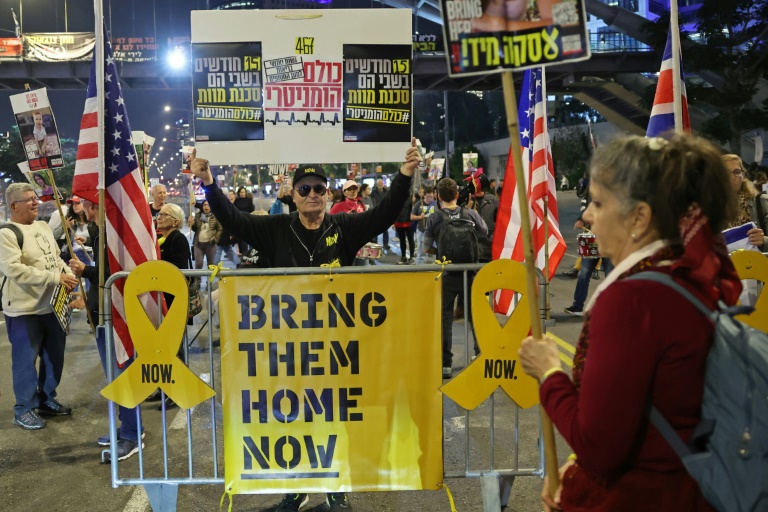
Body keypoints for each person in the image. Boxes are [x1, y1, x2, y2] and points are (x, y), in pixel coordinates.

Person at [189, 140, 420, 512]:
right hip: (286, 349)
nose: (313, 194)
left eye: (319, 189)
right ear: (293, 196)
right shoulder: (275, 228)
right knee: (291, 419)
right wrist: (210, 185)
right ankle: (295, 489)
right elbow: (233, 220)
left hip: (337, 349)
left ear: (327, 194)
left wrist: (405, 174)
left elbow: (385, 214)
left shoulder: (343, 226)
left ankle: (336, 489)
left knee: (336, 421)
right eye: (304, 189)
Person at [518, 134, 740, 512]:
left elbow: (600, 451)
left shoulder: (631, 301)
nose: (587, 215)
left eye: (599, 203)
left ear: (639, 217)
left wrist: (549, 373)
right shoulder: (691, 276)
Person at [68, 198, 145, 461]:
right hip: (104, 315)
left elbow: (116, 271)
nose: (87, 209)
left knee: (121, 376)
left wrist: (85, 270)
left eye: (92, 204)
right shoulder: (103, 232)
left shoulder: (112, 234)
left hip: (116, 316)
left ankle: (132, 436)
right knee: (117, 376)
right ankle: (131, 427)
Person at [0, 183, 78, 430]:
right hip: (25, 310)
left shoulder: (44, 227)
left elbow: (55, 258)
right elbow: (13, 270)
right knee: (25, 361)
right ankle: (24, 408)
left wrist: (67, 275)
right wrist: (55, 278)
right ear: (14, 205)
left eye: (35, 198)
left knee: (54, 357)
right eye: (29, 199)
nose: (35, 202)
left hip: (53, 306)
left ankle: (46, 399)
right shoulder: (6, 233)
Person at [423, 178, 487, 379]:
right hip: (470, 272)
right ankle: (480, 354)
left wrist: (440, 252)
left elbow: (426, 247)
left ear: (439, 196)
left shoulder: (434, 217)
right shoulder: (470, 214)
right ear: (457, 195)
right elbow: (484, 232)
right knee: (475, 317)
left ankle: (446, 365)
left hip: (448, 273)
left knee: (445, 319)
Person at [155, 203, 191, 410]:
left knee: (174, 347)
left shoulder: (178, 239)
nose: (159, 217)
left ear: (175, 221)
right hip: (164, 299)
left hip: (173, 300)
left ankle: (176, 390)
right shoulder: (163, 239)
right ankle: (164, 387)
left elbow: (178, 267)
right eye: (159, 214)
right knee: (164, 347)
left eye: (164, 215)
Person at [722, 154, 766, 306]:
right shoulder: (707, 211)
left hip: (760, 287)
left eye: (736, 172)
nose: (732, 177)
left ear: (742, 175)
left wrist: (764, 241)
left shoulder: (761, 203)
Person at [189, 200, 222, 271]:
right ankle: (197, 281)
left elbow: (220, 228)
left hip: (210, 244)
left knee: (211, 265)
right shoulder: (198, 216)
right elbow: (195, 229)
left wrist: (216, 239)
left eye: (208, 205)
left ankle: (210, 281)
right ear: (202, 207)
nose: (206, 207)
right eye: (204, 205)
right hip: (198, 244)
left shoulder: (215, 216)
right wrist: (191, 223)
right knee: (198, 264)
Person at [410, 186, 436, 264]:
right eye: (428, 197)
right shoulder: (419, 204)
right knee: (421, 253)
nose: (430, 199)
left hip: (433, 232)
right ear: (424, 195)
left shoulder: (436, 204)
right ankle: (419, 270)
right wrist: (420, 217)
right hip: (421, 231)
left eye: (431, 197)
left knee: (435, 253)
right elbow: (411, 217)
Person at [234, 186, 255, 255]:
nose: (242, 193)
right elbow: (234, 210)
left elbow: (252, 209)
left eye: (244, 192)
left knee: (247, 238)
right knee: (240, 239)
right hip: (239, 221)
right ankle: (243, 253)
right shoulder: (237, 201)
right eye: (241, 192)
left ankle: (247, 254)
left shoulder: (248, 200)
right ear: (239, 193)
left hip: (247, 220)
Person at [370, 178, 390, 250]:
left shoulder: (386, 191)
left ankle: (386, 244)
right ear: (377, 184)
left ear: (383, 184)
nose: (380, 185)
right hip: (377, 212)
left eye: (381, 183)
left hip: (385, 212)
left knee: (385, 229)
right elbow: (371, 202)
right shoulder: (373, 193)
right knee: (376, 230)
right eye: (379, 183)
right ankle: (375, 243)